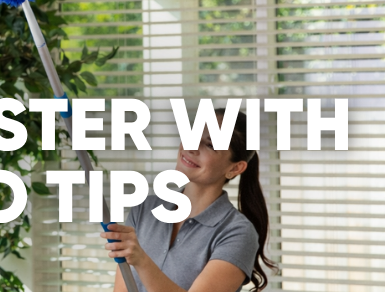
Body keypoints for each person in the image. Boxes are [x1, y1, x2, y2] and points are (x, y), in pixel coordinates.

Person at [101, 108, 276, 292]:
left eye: (209, 144)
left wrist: (142, 261)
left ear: (235, 168)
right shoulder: (145, 210)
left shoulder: (238, 233)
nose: (191, 147)